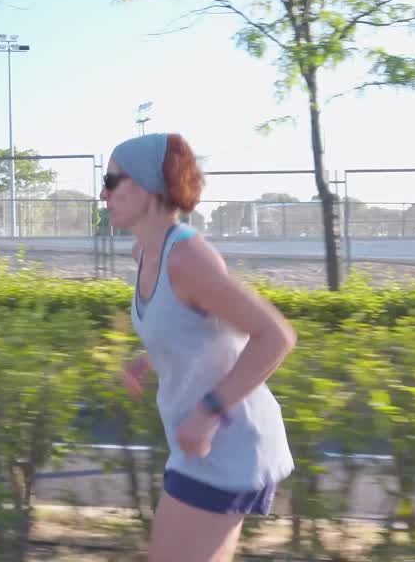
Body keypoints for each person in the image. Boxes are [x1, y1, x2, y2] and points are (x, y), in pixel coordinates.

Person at [100, 132, 296, 562]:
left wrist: (208, 412)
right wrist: (149, 358)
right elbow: (195, 326)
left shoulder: (186, 257)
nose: (103, 193)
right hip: (195, 446)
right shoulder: (143, 252)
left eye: (112, 180)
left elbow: (275, 337)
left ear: (148, 184)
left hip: (230, 443)